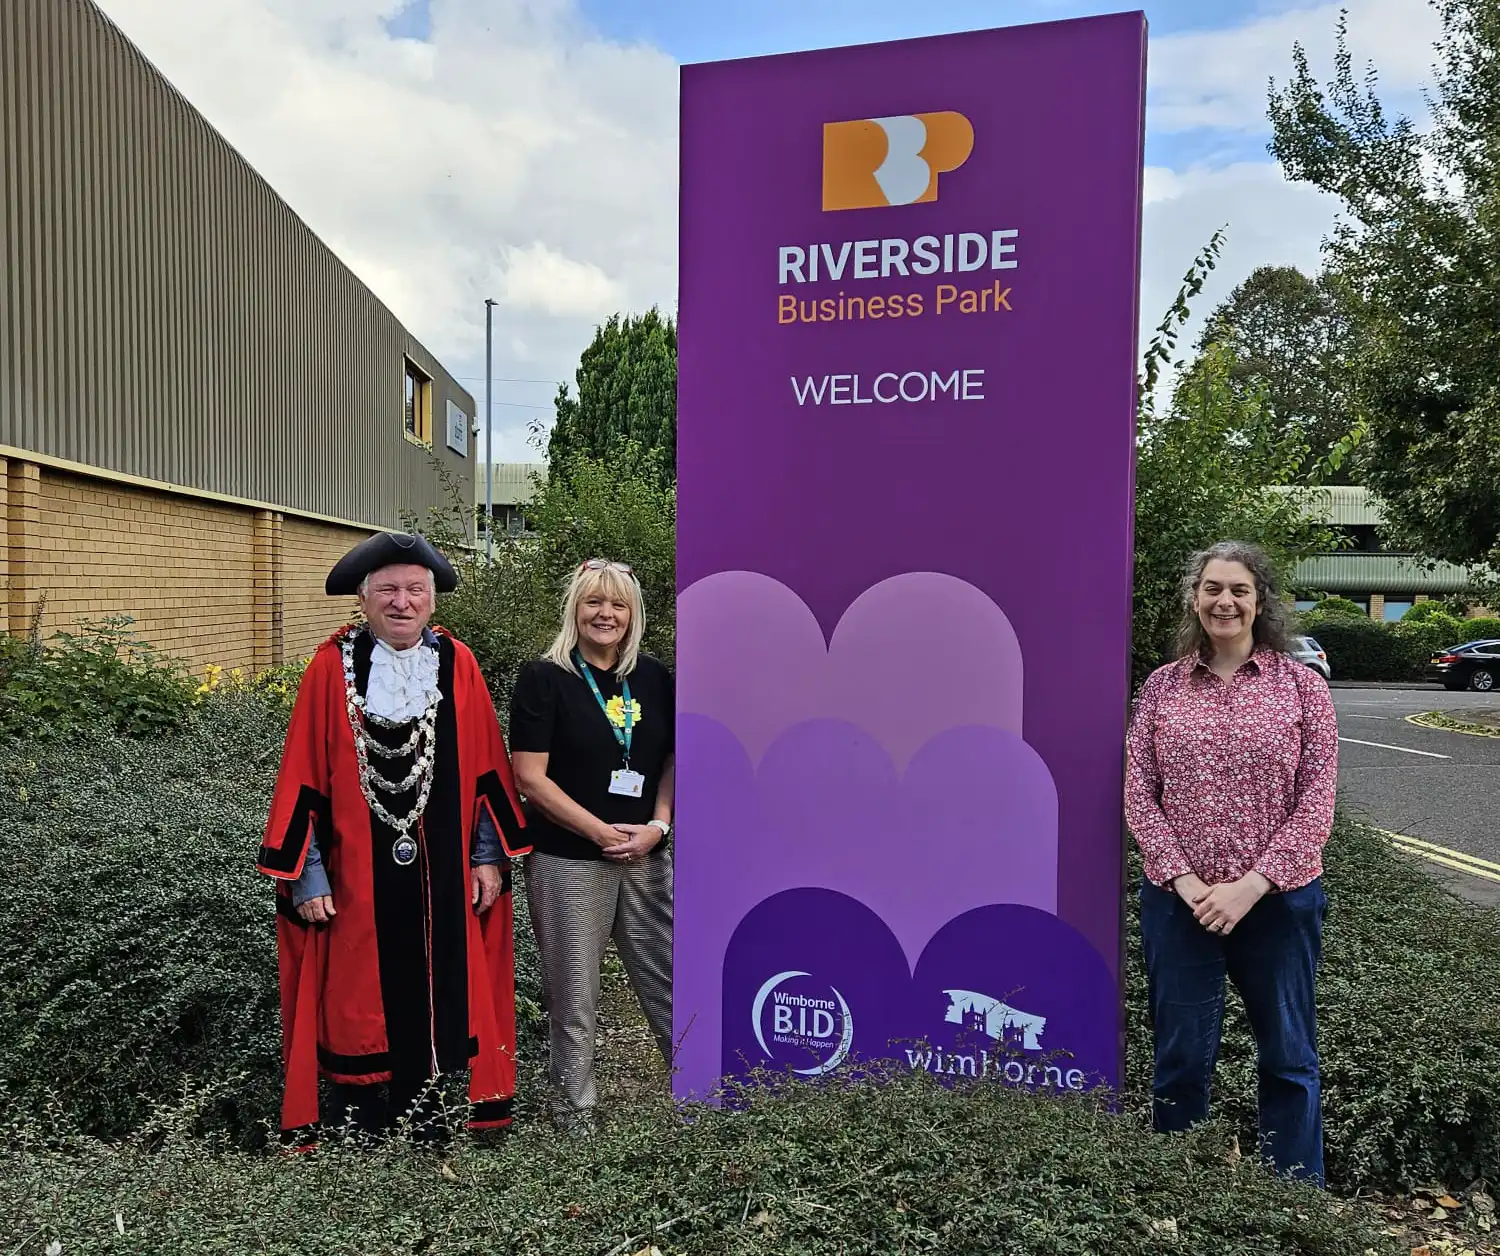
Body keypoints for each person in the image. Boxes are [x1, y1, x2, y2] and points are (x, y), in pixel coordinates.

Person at [256, 531, 531, 1143]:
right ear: (363, 599)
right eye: (387, 590)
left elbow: (488, 765)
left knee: (445, 984)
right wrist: (308, 876)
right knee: (355, 993)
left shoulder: (458, 664)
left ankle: (432, 1118)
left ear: (432, 599)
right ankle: (360, 1123)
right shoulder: (330, 668)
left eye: (414, 590)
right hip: (354, 874)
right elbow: (302, 773)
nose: (401, 602)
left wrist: (488, 857)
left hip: (445, 873)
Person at [1125, 540, 1339, 1186]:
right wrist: (1187, 881)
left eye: (1239, 590)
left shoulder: (1302, 689)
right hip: (1180, 906)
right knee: (1181, 1061)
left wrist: (1250, 886)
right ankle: (1182, 1195)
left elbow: (1317, 799)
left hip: (1279, 904)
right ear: (1195, 599)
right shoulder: (1162, 688)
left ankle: (1295, 1201)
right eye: (1213, 588)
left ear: (1260, 601)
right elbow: (1139, 792)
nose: (1225, 601)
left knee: (1289, 1059)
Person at [509, 559, 675, 1130]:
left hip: (645, 854)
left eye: (618, 604)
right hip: (569, 860)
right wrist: (599, 831)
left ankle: (702, 1096)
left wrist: (659, 826)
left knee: (672, 976)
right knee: (575, 991)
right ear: (574, 610)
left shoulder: (654, 677)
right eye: (593, 602)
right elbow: (530, 777)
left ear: (634, 614)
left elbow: (672, 759)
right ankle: (573, 1115)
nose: (606, 614)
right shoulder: (545, 678)